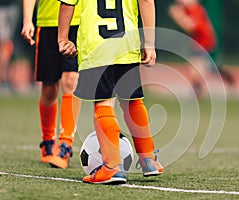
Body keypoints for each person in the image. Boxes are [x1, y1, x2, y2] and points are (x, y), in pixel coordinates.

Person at [58, 0, 163, 184]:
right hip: (128, 44)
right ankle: (149, 160)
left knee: (103, 102)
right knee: (132, 101)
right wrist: (150, 42)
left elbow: (67, 3)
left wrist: (63, 38)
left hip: (97, 47)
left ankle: (111, 167)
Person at [21, 0, 81, 169]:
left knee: (70, 80)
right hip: (48, 23)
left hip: (77, 22)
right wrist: (27, 20)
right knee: (49, 89)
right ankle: (48, 142)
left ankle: (65, 144)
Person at [169, 0, 234, 96]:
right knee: (202, 67)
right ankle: (225, 75)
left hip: (204, 42)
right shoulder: (191, 9)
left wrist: (178, 16)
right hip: (200, 42)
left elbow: (192, 27)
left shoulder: (195, 9)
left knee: (195, 68)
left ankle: (198, 91)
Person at [0, 0, 19, 91]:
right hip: (5, 8)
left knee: (7, 45)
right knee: (5, 45)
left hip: (11, 6)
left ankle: (4, 79)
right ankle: (3, 80)